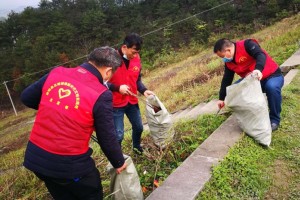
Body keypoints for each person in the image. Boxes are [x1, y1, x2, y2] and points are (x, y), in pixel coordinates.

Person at [21, 46, 127, 200]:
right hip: (68, 165)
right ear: (108, 71)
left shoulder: (57, 72)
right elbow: (107, 137)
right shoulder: (101, 94)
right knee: (91, 191)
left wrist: (58, 108)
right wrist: (118, 162)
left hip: (35, 159)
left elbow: (27, 97)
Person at [213, 38, 284, 131]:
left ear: (228, 50)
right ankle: (252, 115)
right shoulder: (229, 62)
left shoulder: (247, 45)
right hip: (254, 81)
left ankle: (274, 120)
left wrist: (258, 69)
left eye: (222, 56)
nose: (223, 59)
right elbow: (227, 79)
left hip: (273, 76)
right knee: (235, 90)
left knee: (271, 88)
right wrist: (221, 98)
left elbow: (260, 55)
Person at [108, 33, 154, 154]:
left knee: (139, 127)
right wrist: (117, 88)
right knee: (118, 135)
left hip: (132, 101)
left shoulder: (136, 59)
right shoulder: (111, 59)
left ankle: (137, 148)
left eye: (138, 52)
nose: (135, 55)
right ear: (124, 47)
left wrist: (144, 90)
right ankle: (117, 157)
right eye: (133, 52)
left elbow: (137, 79)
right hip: (116, 103)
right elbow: (101, 82)